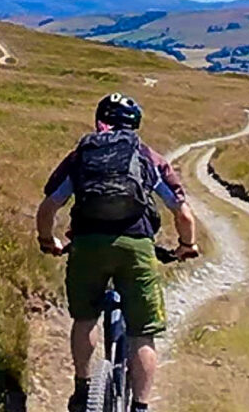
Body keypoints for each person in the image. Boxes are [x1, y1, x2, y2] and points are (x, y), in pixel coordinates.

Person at [36, 93, 199, 412]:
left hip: (87, 245)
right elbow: (183, 214)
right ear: (134, 124)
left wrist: (48, 241)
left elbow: (48, 207)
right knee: (143, 334)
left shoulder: (82, 155)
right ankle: (139, 407)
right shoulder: (148, 157)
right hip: (136, 246)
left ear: (100, 120)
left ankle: (83, 390)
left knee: (84, 318)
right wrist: (186, 246)